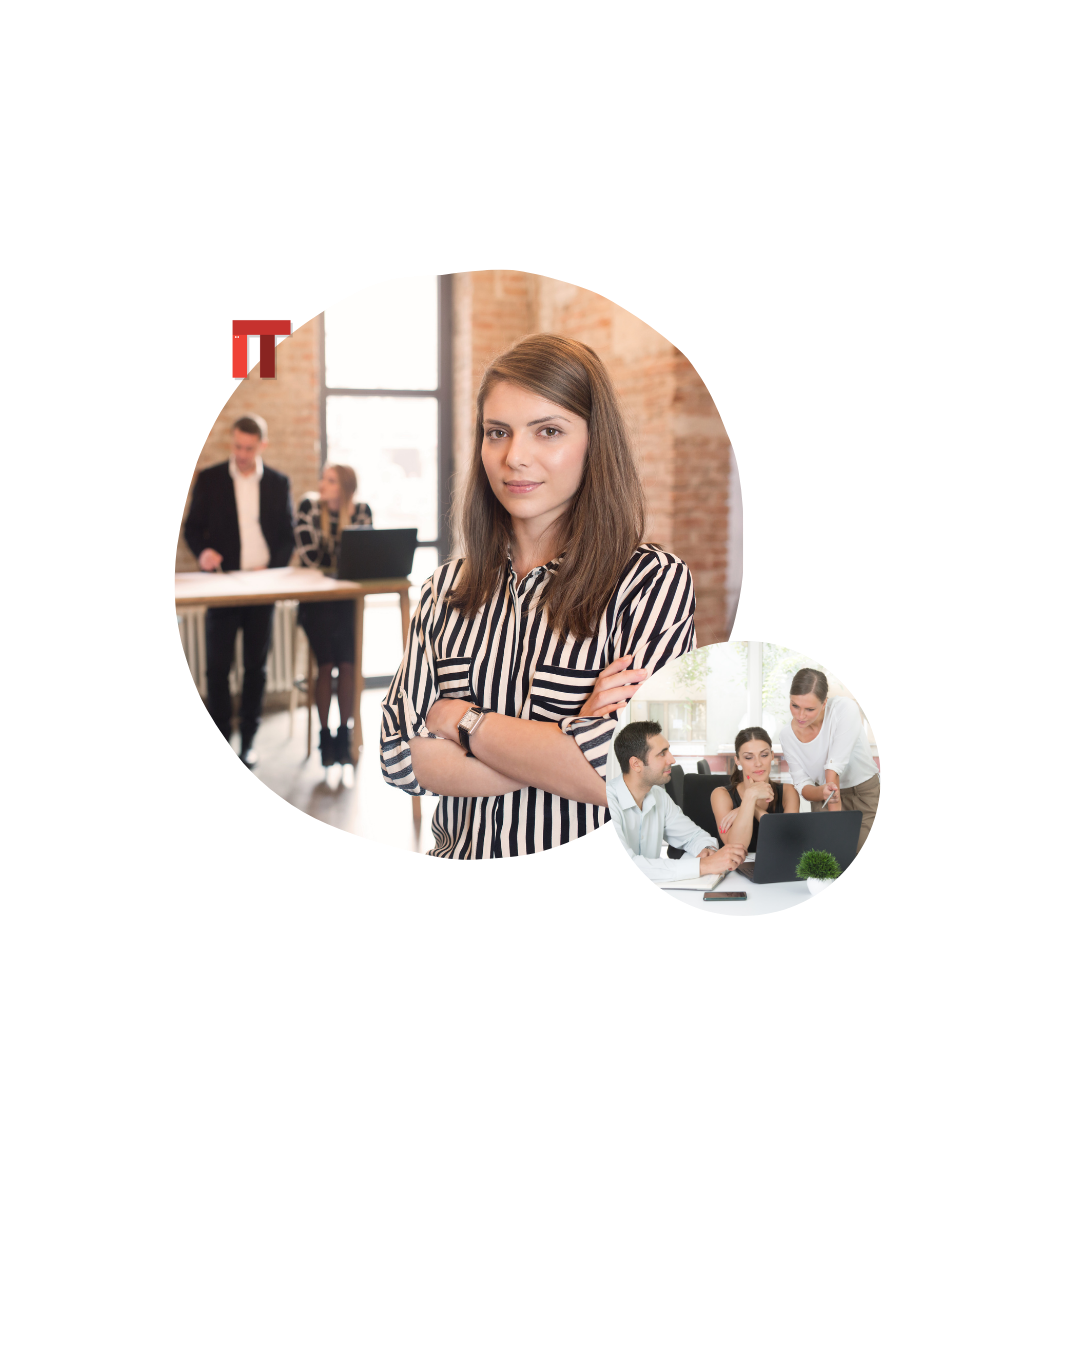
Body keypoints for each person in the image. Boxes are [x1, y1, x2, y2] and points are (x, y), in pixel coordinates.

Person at [380, 333, 697, 858]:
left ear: (596, 441)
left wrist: (464, 721)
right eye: (497, 432)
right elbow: (398, 755)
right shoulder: (443, 592)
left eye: (548, 431)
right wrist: (568, 743)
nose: (514, 457)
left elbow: (634, 779)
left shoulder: (650, 584)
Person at [183, 415, 295, 767]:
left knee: (255, 668)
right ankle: (224, 735)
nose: (242, 454)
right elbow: (191, 528)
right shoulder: (211, 479)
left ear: (262, 446)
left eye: (249, 448)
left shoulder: (278, 482)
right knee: (217, 667)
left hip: (262, 588)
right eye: (237, 447)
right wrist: (203, 552)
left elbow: (287, 536)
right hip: (222, 585)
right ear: (232, 443)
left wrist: (271, 568)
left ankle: (249, 741)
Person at [294, 464, 373, 767]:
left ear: (345, 488)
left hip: (348, 600)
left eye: (330, 481)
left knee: (349, 665)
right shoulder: (308, 508)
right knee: (326, 666)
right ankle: (325, 737)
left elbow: (362, 556)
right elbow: (311, 556)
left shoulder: (362, 510)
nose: (322, 484)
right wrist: (343, 557)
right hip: (317, 601)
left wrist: (342, 558)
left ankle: (345, 735)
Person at [608, 722, 746, 883]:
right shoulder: (605, 804)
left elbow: (693, 836)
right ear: (636, 764)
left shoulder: (658, 795)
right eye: (662, 753)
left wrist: (706, 850)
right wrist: (703, 865)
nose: (672, 760)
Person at [778, 668, 879, 853]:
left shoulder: (844, 709)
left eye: (809, 709)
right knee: (826, 860)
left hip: (862, 795)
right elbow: (803, 785)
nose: (800, 716)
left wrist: (835, 830)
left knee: (850, 853)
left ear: (824, 702)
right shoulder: (786, 735)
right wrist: (822, 793)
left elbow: (833, 769)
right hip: (823, 797)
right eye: (795, 705)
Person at [710, 726, 800, 852]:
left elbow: (786, 841)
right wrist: (750, 796)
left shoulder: (788, 791)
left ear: (772, 756)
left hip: (779, 866)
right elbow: (736, 848)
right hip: (737, 869)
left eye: (764, 755)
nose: (758, 763)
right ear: (738, 760)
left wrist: (750, 808)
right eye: (748, 757)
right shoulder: (721, 795)